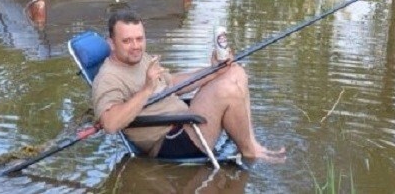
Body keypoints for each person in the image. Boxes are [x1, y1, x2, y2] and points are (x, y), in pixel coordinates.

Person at [92, 9, 285, 161]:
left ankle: (251, 143)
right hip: (170, 141)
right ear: (111, 43)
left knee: (235, 72)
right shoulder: (108, 78)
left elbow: (172, 83)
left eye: (139, 39)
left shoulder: (140, 58)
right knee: (227, 91)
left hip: (184, 119)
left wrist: (213, 71)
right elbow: (110, 124)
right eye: (126, 41)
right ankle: (250, 154)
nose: (136, 46)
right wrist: (146, 89)